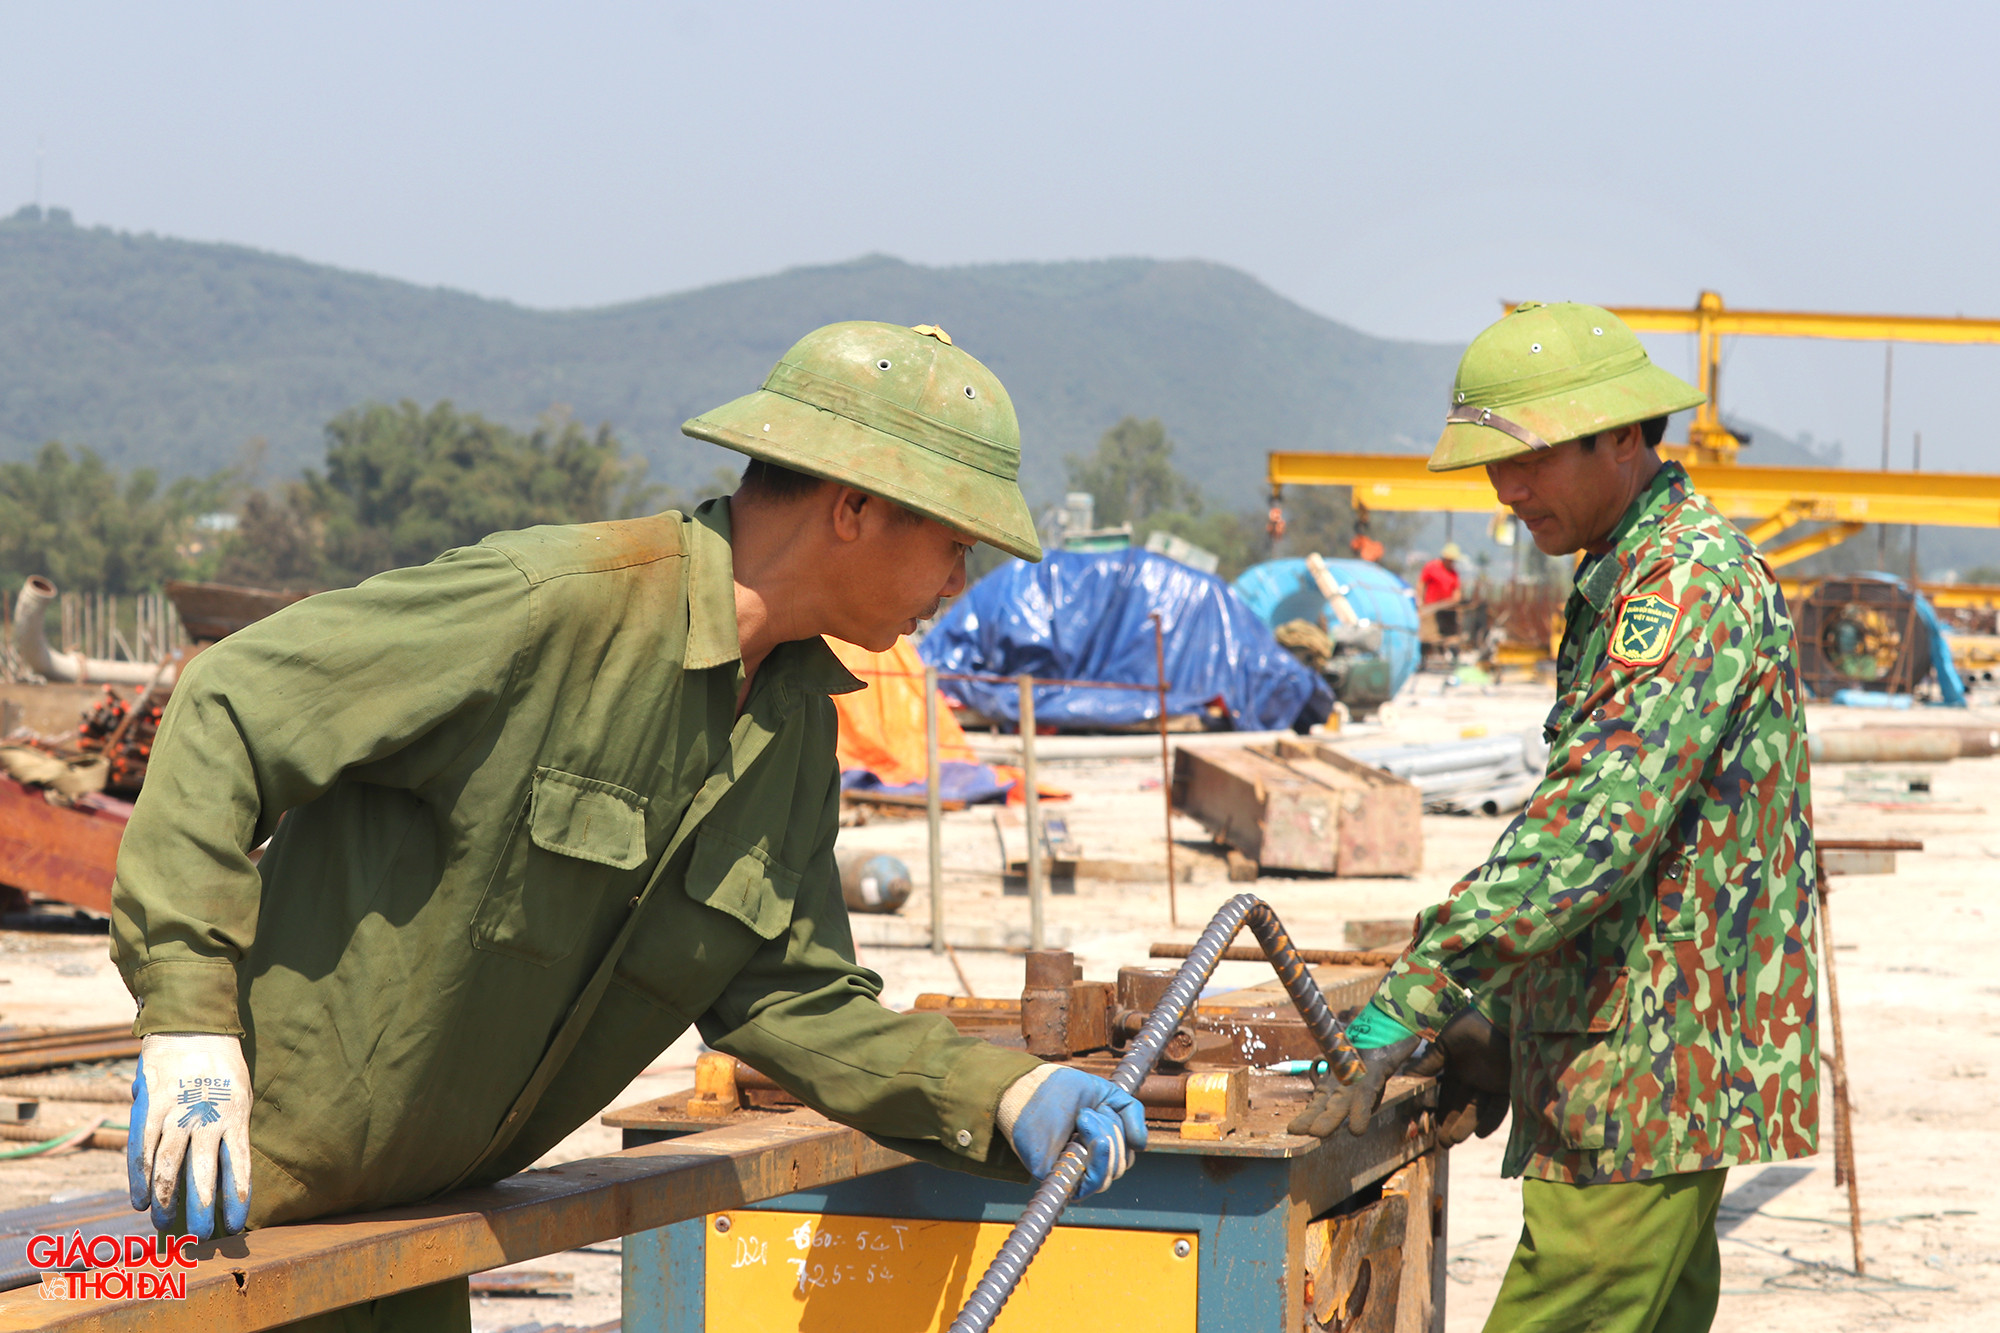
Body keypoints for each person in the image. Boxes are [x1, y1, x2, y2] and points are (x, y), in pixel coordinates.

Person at [111, 321, 1146, 1331]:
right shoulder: (548, 608)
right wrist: (190, 1019)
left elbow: (788, 996)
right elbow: (233, 703)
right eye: (953, 545)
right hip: (228, 1211)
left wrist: (1005, 1093)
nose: (957, 584)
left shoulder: (788, 734)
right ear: (854, 506)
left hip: (410, 1235)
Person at [1290, 302, 1817, 1333]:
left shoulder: (1679, 582)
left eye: (1526, 459)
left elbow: (1588, 828)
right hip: (1636, 1053)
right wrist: (1509, 1012)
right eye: (1492, 465)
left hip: (1646, 1069)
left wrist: (1426, 989)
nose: (1506, 488)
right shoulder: (1622, 574)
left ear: (1622, 437)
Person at [1419, 541, 1464, 606]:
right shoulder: (1431, 567)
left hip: (1446, 608)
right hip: (1430, 607)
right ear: (1445, 558)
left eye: (1453, 560)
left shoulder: (1454, 573)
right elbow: (1421, 584)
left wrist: (1453, 600)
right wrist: (1420, 601)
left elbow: (1457, 592)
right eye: (1450, 560)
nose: (1451, 562)